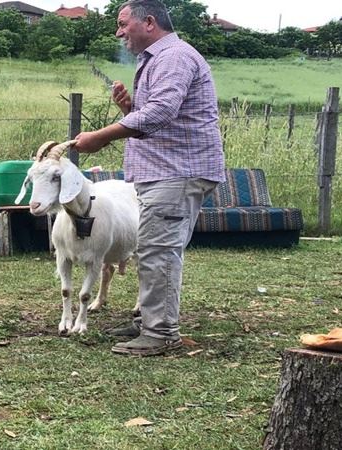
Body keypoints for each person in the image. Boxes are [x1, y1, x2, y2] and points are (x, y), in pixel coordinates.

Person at [73, 0, 225, 356]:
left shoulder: (174, 57)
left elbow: (161, 112)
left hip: (177, 172)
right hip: (167, 171)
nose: (118, 31)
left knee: (159, 251)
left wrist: (103, 134)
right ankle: (149, 322)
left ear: (150, 22)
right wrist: (129, 110)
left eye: (123, 23)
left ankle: (160, 333)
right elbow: (157, 118)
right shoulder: (157, 59)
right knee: (154, 249)